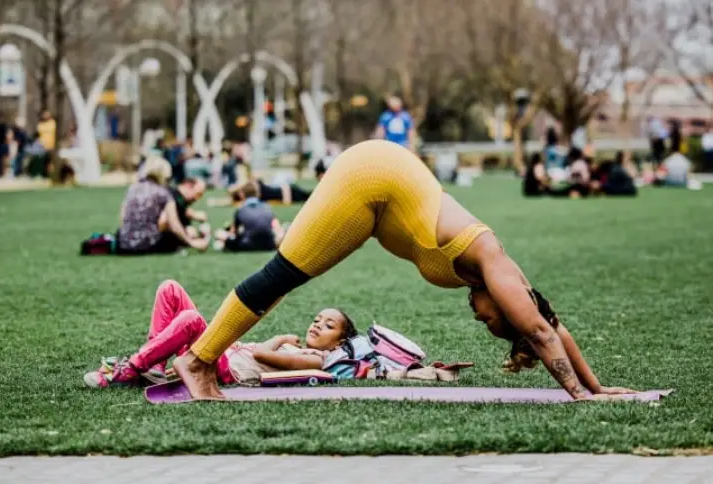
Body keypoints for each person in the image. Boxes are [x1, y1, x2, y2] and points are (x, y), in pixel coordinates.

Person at [172, 139, 634, 401]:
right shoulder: (496, 266)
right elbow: (539, 331)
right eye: (491, 319)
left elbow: (552, 325)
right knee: (282, 274)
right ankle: (197, 360)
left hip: (381, 199)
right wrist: (581, 396)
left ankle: (205, 360)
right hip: (371, 179)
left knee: (284, 279)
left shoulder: (503, 277)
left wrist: (599, 385)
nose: (478, 317)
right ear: (509, 307)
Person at [83, 280, 357, 388]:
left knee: (191, 320)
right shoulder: (302, 350)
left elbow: (262, 353)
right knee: (170, 289)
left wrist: (282, 338)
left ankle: (129, 370)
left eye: (328, 325)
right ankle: (153, 366)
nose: (318, 324)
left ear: (340, 343)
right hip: (220, 353)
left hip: (223, 370)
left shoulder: (318, 360)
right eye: (317, 319)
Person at [116, 157, 209, 255]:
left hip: (123, 245)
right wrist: (192, 243)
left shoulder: (132, 188)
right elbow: (174, 225)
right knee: (173, 236)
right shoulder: (164, 192)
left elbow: (123, 218)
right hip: (147, 245)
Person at [214, 183, 288, 252]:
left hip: (248, 245)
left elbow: (233, 233)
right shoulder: (267, 207)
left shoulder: (241, 210)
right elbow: (276, 227)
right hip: (269, 245)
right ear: (258, 193)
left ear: (242, 195)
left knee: (219, 234)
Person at [228, 178, 312, 205]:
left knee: (309, 197)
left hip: (287, 192)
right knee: (309, 198)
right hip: (287, 194)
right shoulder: (254, 195)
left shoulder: (254, 189)